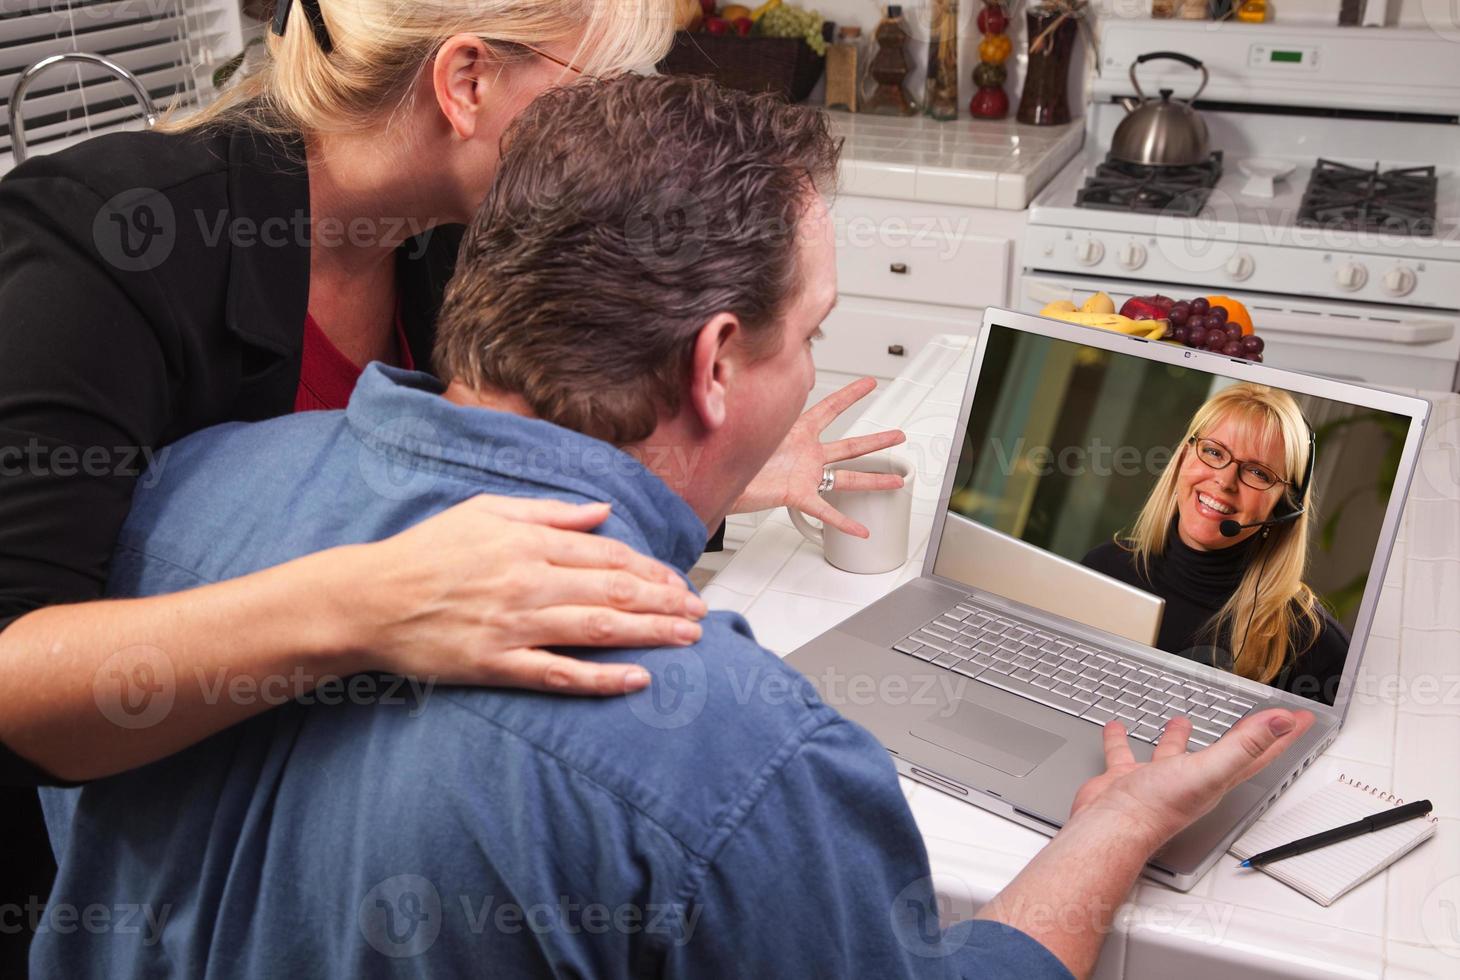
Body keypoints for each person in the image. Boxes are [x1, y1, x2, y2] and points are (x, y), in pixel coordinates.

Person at [36, 74, 1313, 980]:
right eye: (809, 333)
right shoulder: (730, 746)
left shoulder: (189, 491)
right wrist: (1108, 829)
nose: (809, 365)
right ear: (713, 365)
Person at [1082, 383, 1349, 705]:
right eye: (1213, 452)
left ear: (1284, 506)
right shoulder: (1102, 571)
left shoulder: (1316, 648)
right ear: (1183, 458)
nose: (1224, 481)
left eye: (1257, 472)